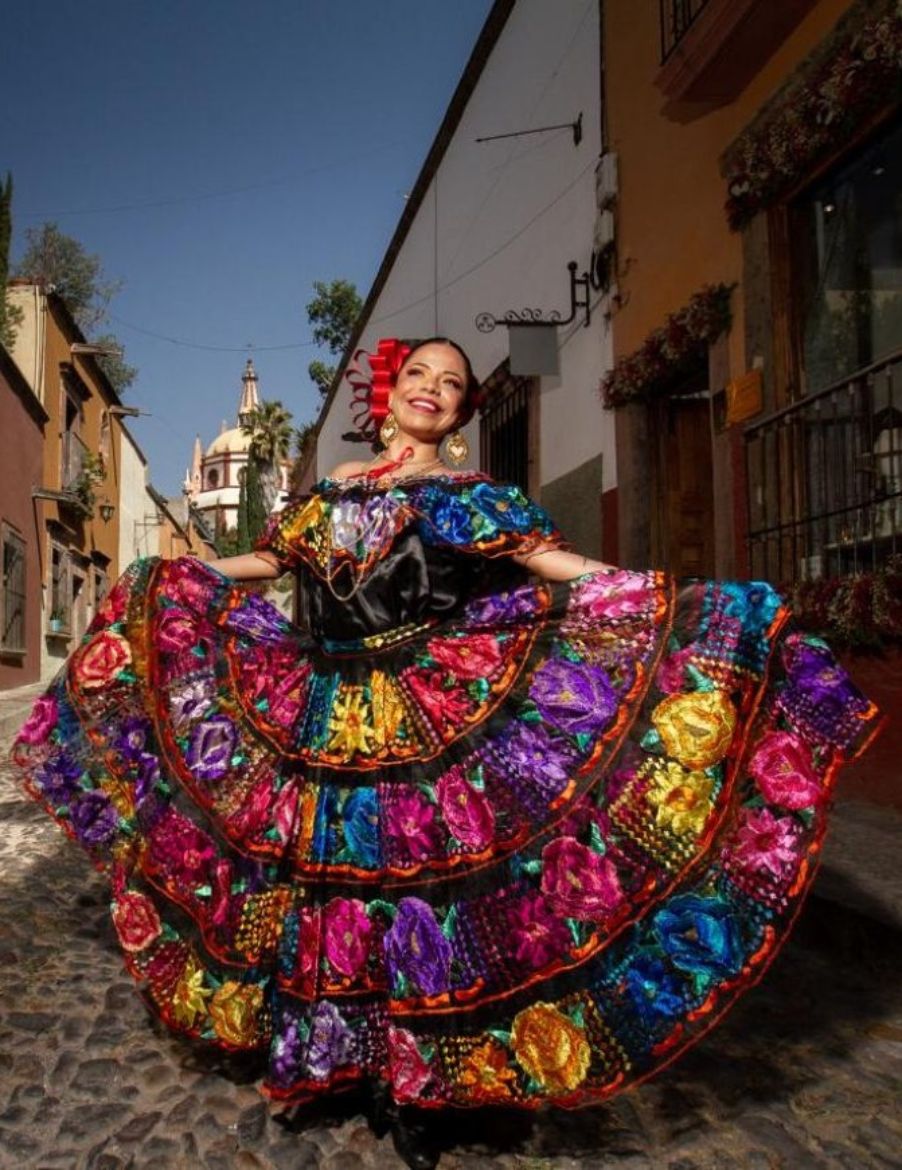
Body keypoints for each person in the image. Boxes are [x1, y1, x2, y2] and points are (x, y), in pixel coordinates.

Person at [13, 337, 879, 1168]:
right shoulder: (335, 486)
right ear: (389, 396)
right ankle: (335, 1058)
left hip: (426, 716)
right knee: (330, 888)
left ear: (461, 413)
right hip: (323, 710)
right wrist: (178, 577)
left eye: (452, 382)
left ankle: (421, 1088)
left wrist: (663, 594)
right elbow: (271, 563)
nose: (432, 388)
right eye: (419, 374)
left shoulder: (474, 497)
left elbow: (553, 564)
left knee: (421, 899)